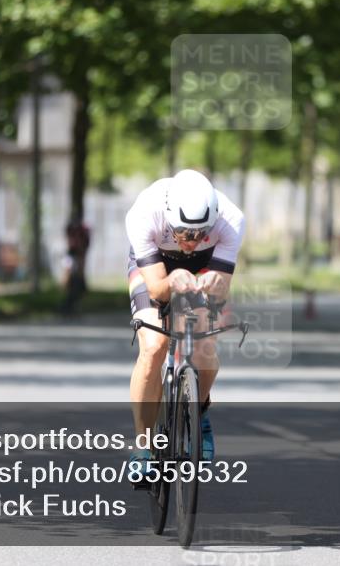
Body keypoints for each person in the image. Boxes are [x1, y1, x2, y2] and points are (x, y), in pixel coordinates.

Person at [125, 169, 245, 480]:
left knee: (205, 346)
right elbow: (155, 290)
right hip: (157, 266)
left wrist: (213, 284)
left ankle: (200, 412)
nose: (192, 242)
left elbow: (222, 287)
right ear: (168, 218)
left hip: (203, 267)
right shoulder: (144, 213)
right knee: (154, 346)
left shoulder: (232, 220)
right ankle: (142, 445)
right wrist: (171, 281)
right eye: (184, 233)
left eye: (201, 233)